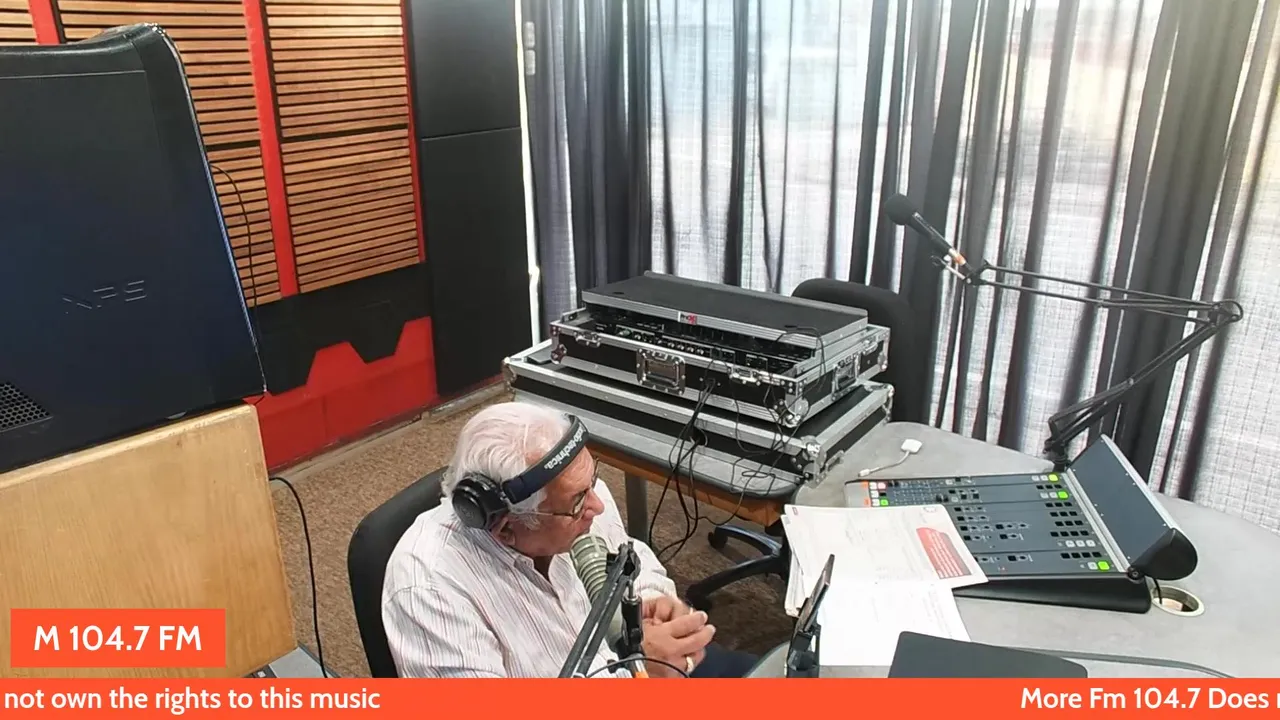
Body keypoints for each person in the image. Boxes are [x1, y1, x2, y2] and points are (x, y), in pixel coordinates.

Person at [381, 401, 759, 678]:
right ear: (505, 527)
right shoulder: (428, 588)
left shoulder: (576, 495)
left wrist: (650, 599)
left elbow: (631, 559)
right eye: (578, 502)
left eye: (592, 481)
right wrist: (636, 675)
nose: (597, 505)